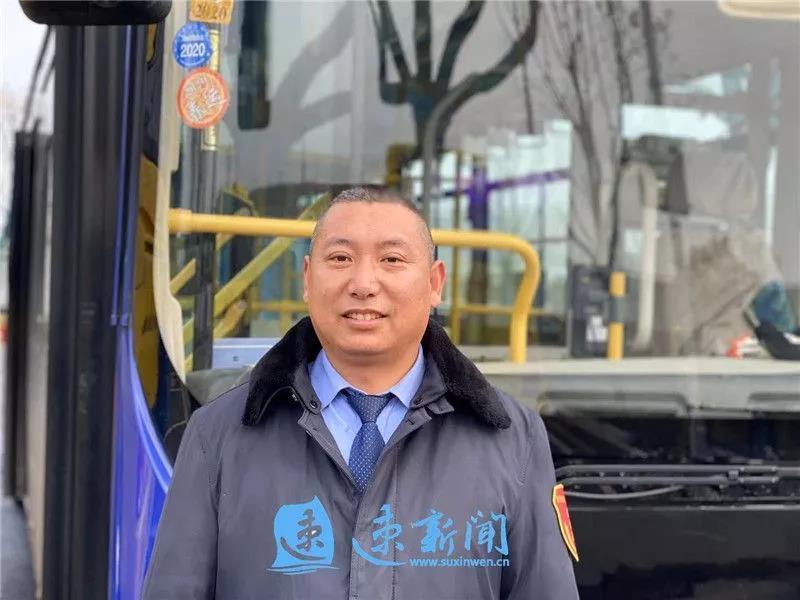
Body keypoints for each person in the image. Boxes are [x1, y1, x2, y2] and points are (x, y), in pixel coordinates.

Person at [143, 186, 579, 599]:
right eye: (340, 258)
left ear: (434, 283)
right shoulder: (217, 435)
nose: (364, 283)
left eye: (391, 259)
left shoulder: (512, 439)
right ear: (308, 278)